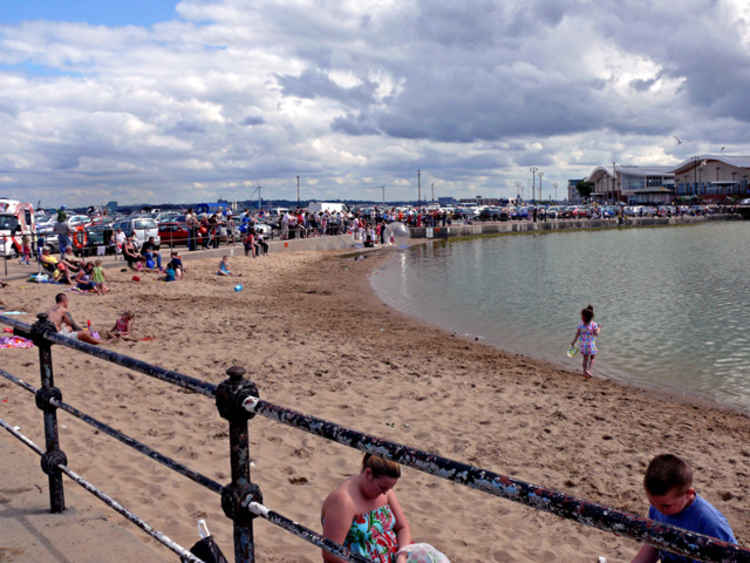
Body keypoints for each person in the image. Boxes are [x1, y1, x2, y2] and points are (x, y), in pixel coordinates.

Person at [632, 454, 736, 563]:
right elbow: (653, 545)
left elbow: (731, 558)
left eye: (666, 506)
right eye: (652, 502)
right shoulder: (658, 507)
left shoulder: (711, 524)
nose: (658, 509)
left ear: (689, 493)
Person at [321, 453, 412, 563]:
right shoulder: (343, 502)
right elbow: (330, 554)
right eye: (382, 487)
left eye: (389, 488)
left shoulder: (385, 491)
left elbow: (403, 527)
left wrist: (402, 555)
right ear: (368, 474)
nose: (385, 492)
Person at [571, 304, 599, 379]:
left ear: (583, 317)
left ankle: (584, 371)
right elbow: (596, 334)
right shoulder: (594, 324)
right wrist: (599, 328)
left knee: (585, 359)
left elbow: (577, 334)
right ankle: (589, 370)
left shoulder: (580, 325)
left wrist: (573, 342)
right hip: (591, 345)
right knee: (592, 358)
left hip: (583, 345)